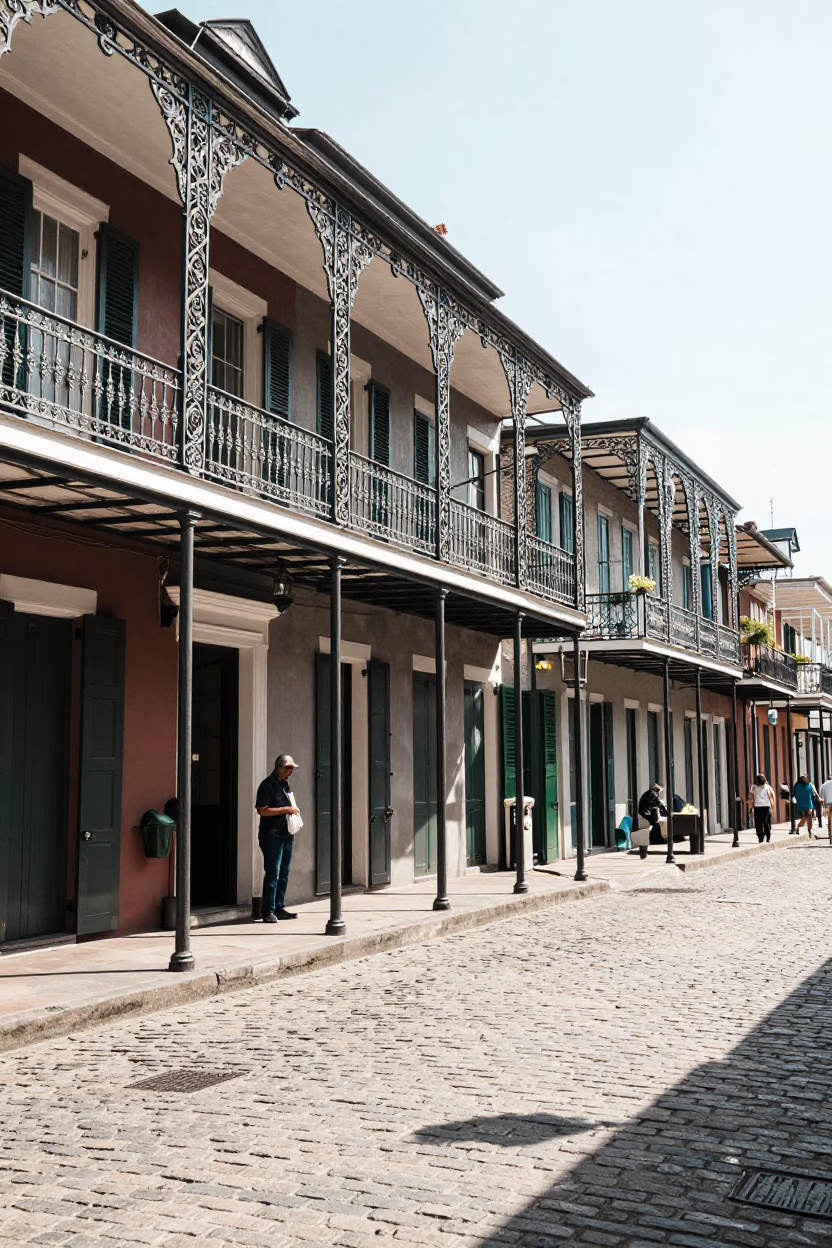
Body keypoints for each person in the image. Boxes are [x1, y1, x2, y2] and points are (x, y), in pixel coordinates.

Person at [256, 754, 301, 921]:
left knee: (284, 872)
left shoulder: (285, 785)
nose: (291, 772)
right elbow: (262, 810)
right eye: (289, 768)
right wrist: (286, 810)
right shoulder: (267, 786)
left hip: (286, 834)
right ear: (279, 768)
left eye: (292, 769)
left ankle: (279, 907)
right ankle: (268, 911)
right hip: (271, 835)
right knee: (273, 872)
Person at [748, 772, 775, 844]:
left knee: (758, 823)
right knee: (766, 822)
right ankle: (768, 836)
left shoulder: (754, 787)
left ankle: (760, 836)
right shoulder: (767, 787)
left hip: (757, 806)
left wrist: (750, 807)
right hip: (766, 806)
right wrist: (772, 807)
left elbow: (751, 797)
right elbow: (771, 797)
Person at [820, 774, 832, 845]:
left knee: (829, 821)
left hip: (828, 804)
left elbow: (821, 796)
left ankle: (830, 837)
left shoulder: (824, 785)